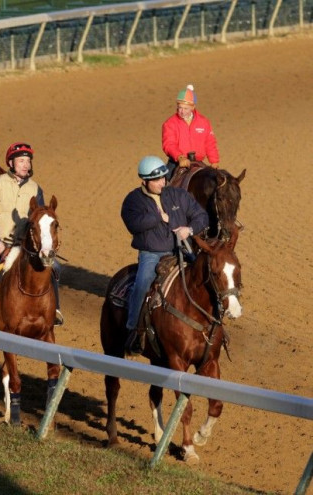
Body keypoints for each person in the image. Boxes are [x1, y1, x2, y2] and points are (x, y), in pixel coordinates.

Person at [121, 155, 209, 355]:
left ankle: (213, 321)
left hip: (182, 250)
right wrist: (158, 217)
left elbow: (201, 216)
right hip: (152, 254)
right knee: (142, 284)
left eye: (163, 177)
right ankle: (133, 330)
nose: (163, 182)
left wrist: (189, 229)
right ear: (144, 181)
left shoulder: (178, 195)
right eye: (157, 180)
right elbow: (133, 224)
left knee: (205, 275)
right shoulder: (133, 200)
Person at [0, 142, 63, 328]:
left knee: (55, 266)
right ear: (11, 163)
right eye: (21, 160)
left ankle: (55, 310)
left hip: (24, 244)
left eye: (28, 161)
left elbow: (41, 220)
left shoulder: (36, 189)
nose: (25, 164)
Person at [161, 84, 220, 177]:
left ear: (193, 107)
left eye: (186, 108)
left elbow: (210, 143)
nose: (182, 111)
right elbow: (169, 144)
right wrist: (180, 157)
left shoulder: (204, 122)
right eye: (180, 107)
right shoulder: (170, 124)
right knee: (163, 184)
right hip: (177, 162)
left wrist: (214, 161)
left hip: (198, 162)